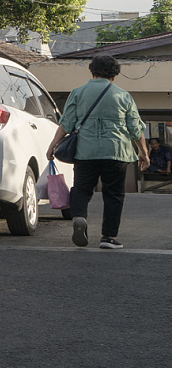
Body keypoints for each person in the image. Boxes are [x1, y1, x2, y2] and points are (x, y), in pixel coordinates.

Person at [47, 55, 149, 249]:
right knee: (114, 194)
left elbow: (66, 124)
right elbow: (135, 129)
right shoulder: (123, 95)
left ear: (92, 71)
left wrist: (53, 145)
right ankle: (108, 237)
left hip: (85, 151)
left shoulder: (78, 93)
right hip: (116, 151)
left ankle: (79, 217)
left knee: (81, 189)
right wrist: (143, 153)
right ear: (115, 74)